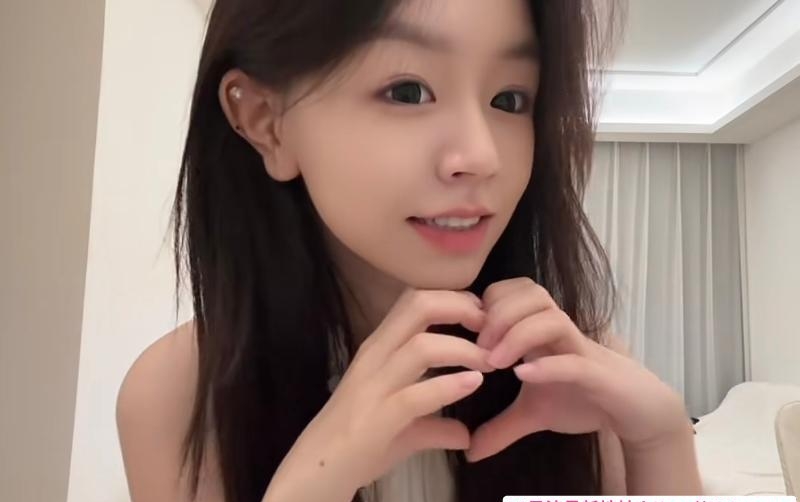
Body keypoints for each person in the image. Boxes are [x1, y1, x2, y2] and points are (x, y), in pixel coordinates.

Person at [116, 1, 704, 501]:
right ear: (266, 122)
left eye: (509, 99)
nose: (482, 157)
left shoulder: (571, 366)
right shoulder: (176, 395)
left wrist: (661, 441)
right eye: (408, 92)